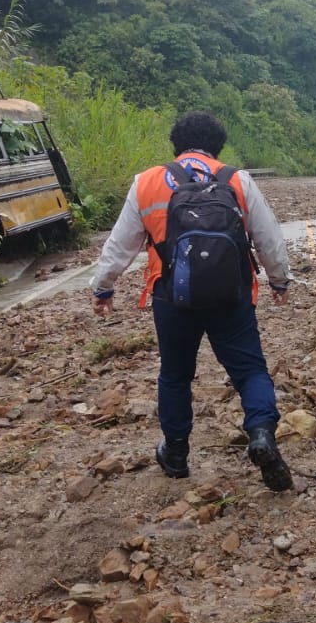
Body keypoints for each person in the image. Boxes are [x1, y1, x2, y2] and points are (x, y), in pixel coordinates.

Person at [89, 111, 295, 491]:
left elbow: (121, 245)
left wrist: (104, 287)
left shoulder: (147, 182)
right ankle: (262, 434)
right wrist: (279, 280)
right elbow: (269, 239)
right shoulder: (237, 180)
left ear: (175, 145)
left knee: (175, 374)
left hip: (171, 297)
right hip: (231, 295)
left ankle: (177, 453)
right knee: (250, 371)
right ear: (218, 147)